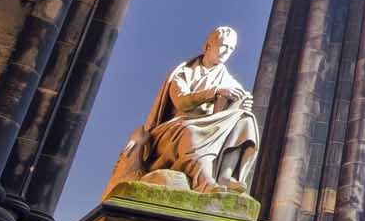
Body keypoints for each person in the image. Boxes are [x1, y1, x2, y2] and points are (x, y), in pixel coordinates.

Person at [106, 26, 259, 195]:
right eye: (223, 45)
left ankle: (226, 176)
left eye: (231, 48)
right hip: (176, 127)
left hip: (212, 126)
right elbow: (181, 102)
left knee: (246, 119)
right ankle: (204, 181)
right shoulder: (183, 73)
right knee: (191, 132)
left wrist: (241, 105)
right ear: (208, 45)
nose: (226, 51)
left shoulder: (230, 82)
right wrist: (213, 92)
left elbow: (229, 111)